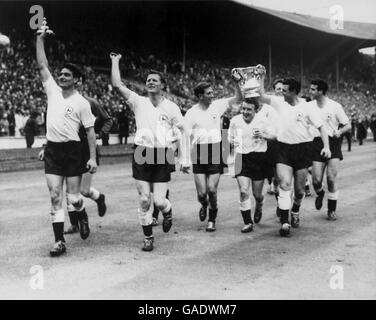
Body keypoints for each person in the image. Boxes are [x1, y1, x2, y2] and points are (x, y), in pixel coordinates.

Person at [110, 52, 189, 252]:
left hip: (163, 154)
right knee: (145, 199)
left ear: (162, 85)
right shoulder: (138, 101)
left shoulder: (171, 107)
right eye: (148, 80)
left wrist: (185, 158)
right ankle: (148, 237)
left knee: (159, 201)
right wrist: (115, 61)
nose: (151, 82)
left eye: (155, 80)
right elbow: (118, 84)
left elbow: (184, 130)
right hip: (142, 153)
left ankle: (167, 211)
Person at [36, 20, 97, 257]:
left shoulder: (82, 103)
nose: (61, 76)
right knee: (54, 196)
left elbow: (90, 133)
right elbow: (42, 65)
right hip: (53, 150)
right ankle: (59, 241)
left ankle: (81, 214)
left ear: (76, 80)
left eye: (66, 74)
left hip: (73, 152)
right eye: (60, 73)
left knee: (74, 198)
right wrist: (40, 38)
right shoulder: (52, 91)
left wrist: (92, 158)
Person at [259, 75, 331, 237]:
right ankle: (285, 222)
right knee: (284, 184)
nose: (281, 93)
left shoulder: (307, 107)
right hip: (283, 149)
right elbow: (262, 96)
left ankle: (296, 210)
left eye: (284, 91)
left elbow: (321, 127)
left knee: (299, 192)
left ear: (293, 92)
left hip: (302, 150)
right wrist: (261, 77)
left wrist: (326, 146)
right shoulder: (279, 103)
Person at [183, 79, 241, 232]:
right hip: (198, 152)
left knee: (212, 189)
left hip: (215, 150)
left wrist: (236, 83)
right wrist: (185, 160)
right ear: (200, 96)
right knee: (202, 194)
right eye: (209, 93)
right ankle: (203, 204)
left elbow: (237, 98)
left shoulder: (217, 106)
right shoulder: (191, 113)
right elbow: (185, 136)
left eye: (212, 92)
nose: (212, 95)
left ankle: (212, 219)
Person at [64, 92, 113, 234]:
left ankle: (99, 198)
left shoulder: (91, 102)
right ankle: (75, 224)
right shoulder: (62, 102)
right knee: (70, 191)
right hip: (70, 150)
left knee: (84, 191)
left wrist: (99, 134)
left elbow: (108, 120)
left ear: (79, 81)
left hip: (87, 150)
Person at [229, 97, 277, 232]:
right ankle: (247, 222)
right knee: (243, 191)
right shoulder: (235, 121)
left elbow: (274, 136)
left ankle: (259, 204)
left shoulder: (263, 121)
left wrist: (264, 135)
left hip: (259, 158)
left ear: (256, 110)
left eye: (248, 109)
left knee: (257, 194)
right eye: (243, 108)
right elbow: (230, 139)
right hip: (241, 158)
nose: (245, 111)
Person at [308, 79, 351, 221]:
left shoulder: (335, 106)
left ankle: (331, 210)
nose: (310, 91)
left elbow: (347, 125)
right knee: (316, 180)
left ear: (321, 91)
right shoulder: (309, 106)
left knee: (331, 178)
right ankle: (320, 193)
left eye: (313, 89)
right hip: (316, 143)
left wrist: (339, 132)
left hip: (333, 143)